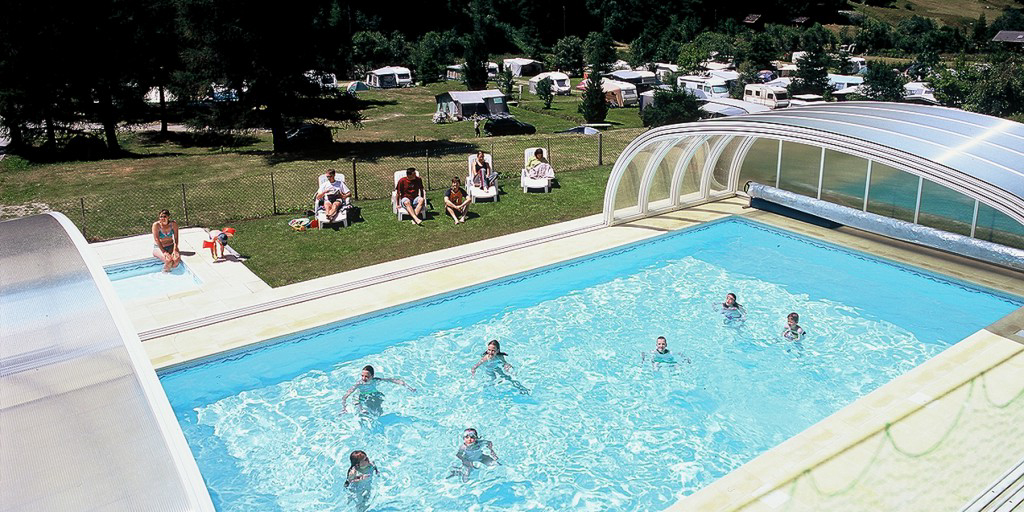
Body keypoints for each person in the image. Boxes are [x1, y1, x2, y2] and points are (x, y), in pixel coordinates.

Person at [341, 365, 416, 418]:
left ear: (372, 376)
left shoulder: (375, 380)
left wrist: (409, 388)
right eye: (362, 376)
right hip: (363, 397)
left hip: (374, 394)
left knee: (379, 412)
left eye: (367, 376)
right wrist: (344, 408)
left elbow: (392, 380)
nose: (364, 378)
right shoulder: (359, 384)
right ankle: (362, 411)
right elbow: (345, 396)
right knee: (357, 403)